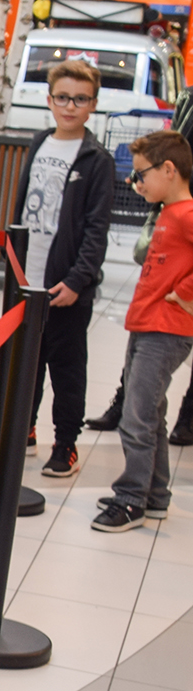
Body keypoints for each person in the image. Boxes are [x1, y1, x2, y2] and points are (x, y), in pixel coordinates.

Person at [13, 58, 116, 479]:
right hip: (28, 276)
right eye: (62, 98)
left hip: (67, 284)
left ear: (92, 104)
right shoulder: (39, 142)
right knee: (26, 363)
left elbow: (97, 228)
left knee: (66, 367)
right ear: (50, 100)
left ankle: (67, 444)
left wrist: (77, 280)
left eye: (79, 99)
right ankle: (23, 429)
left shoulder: (96, 159)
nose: (69, 106)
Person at [94, 129, 193, 531]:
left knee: (136, 417)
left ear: (168, 170)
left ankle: (131, 498)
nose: (136, 183)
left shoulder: (186, 215)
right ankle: (154, 495)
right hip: (148, 324)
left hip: (166, 329)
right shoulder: (168, 212)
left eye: (141, 175)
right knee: (151, 413)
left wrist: (184, 294)